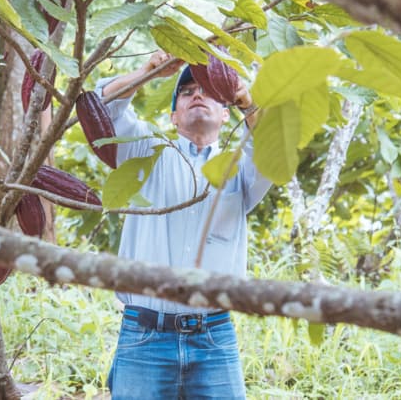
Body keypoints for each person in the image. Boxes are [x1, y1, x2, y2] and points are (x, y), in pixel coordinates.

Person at [97, 50, 272, 399]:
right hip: (144, 333)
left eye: (207, 90)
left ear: (226, 114)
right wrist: (149, 71)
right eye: (187, 90)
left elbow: (275, 145)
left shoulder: (242, 168)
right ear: (174, 116)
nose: (196, 94)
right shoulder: (146, 151)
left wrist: (245, 97)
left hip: (214, 335)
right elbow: (100, 108)